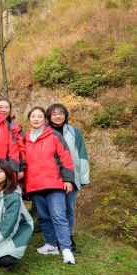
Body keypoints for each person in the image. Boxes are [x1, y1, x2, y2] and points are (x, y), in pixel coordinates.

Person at [24, 107, 76, 264]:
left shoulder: (54, 135)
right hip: (35, 184)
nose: (36, 119)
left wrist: (68, 179)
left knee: (58, 216)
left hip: (54, 183)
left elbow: (66, 157)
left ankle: (66, 249)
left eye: (39, 116)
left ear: (44, 119)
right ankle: (51, 245)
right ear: (29, 119)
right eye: (33, 116)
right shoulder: (24, 138)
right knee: (44, 217)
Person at [46, 103, 90, 252]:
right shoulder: (45, 132)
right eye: (54, 114)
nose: (58, 116)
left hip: (72, 176)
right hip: (52, 178)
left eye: (61, 113)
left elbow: (82, 154)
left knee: (69, 208)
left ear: (65, 115)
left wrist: (83, 177)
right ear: (49, 116)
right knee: (55, 209)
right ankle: (56, 239)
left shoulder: (74, 132)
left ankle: (69, 237)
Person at [0, 98, 25, 180]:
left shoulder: (16, 127)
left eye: (6, 107)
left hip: (12, 166)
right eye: (0, 107)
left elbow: (21, 149)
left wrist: (21, 168)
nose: (3, 110)